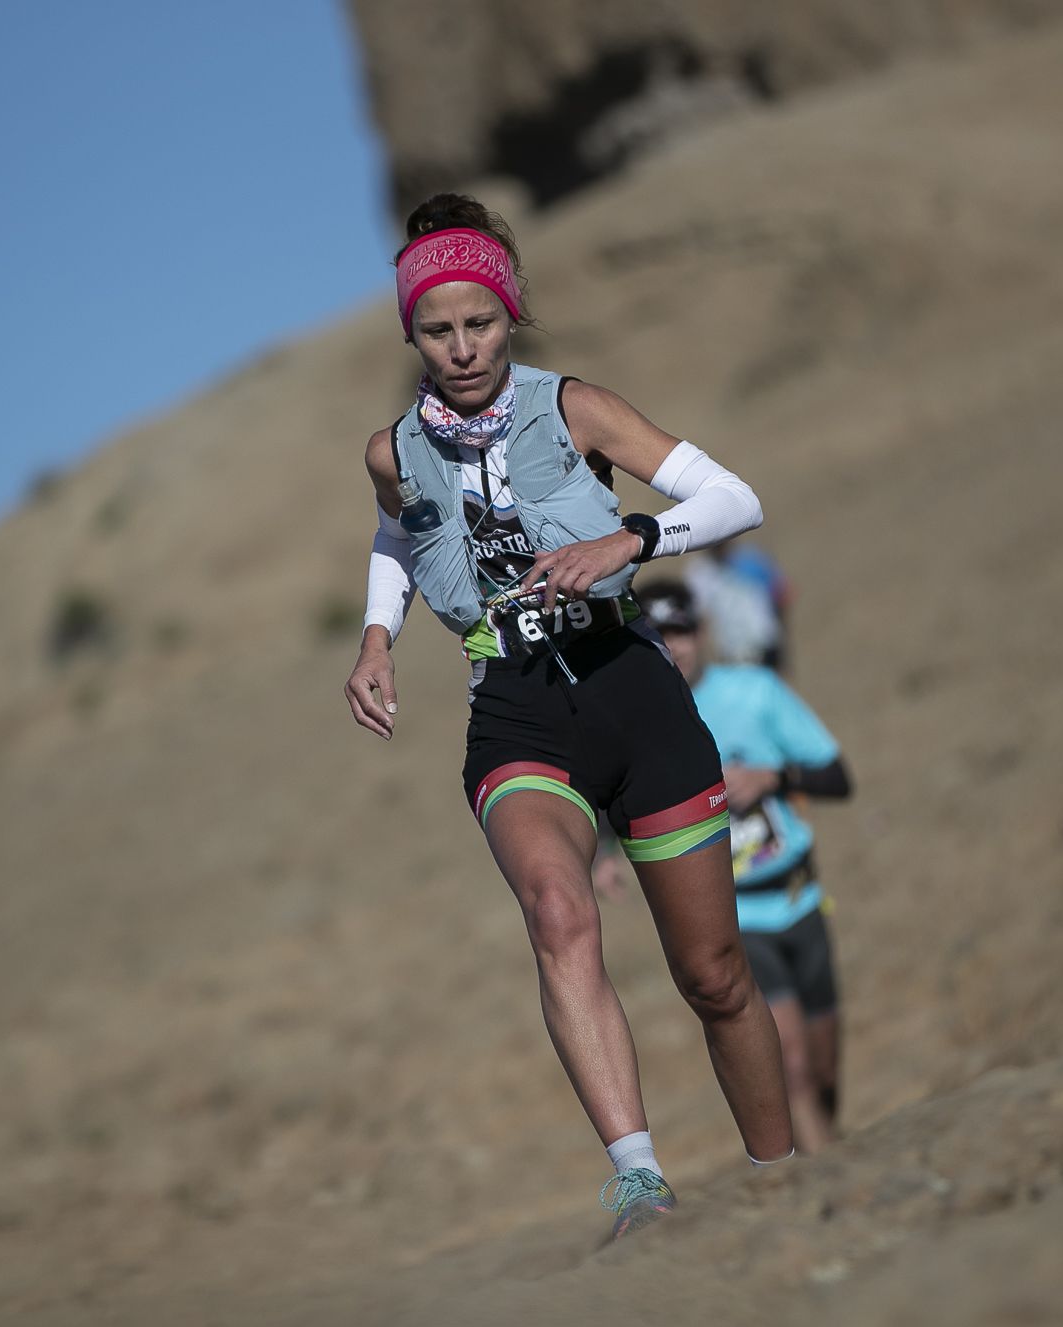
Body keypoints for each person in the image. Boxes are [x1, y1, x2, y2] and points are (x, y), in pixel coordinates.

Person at [343, 193, 796, 1242]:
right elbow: (400, 534)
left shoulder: (575, 406)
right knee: (556, 913)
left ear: (510, 315)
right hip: (514, 711)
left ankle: (783, 1181)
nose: (461, 349)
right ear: (409, 332)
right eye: (436, 329)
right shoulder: (392, 448)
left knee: (713, 976)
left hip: (631, 691)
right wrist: (375, 637)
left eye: (480, 324)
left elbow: (734, 497)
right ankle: (639, 1182)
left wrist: (629, 539)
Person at [642, 580, 853, 1152]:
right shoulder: (645, 723)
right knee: (792, 1068)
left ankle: (826, 1151)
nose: (674, 647)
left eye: (682, 631)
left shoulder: (756, 693)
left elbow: (838, 777)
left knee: (825, 1070)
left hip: (802, 900)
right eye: (658, 635)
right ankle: (823, 1182)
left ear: (703, 631)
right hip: (740, 916)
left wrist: (771, 778)